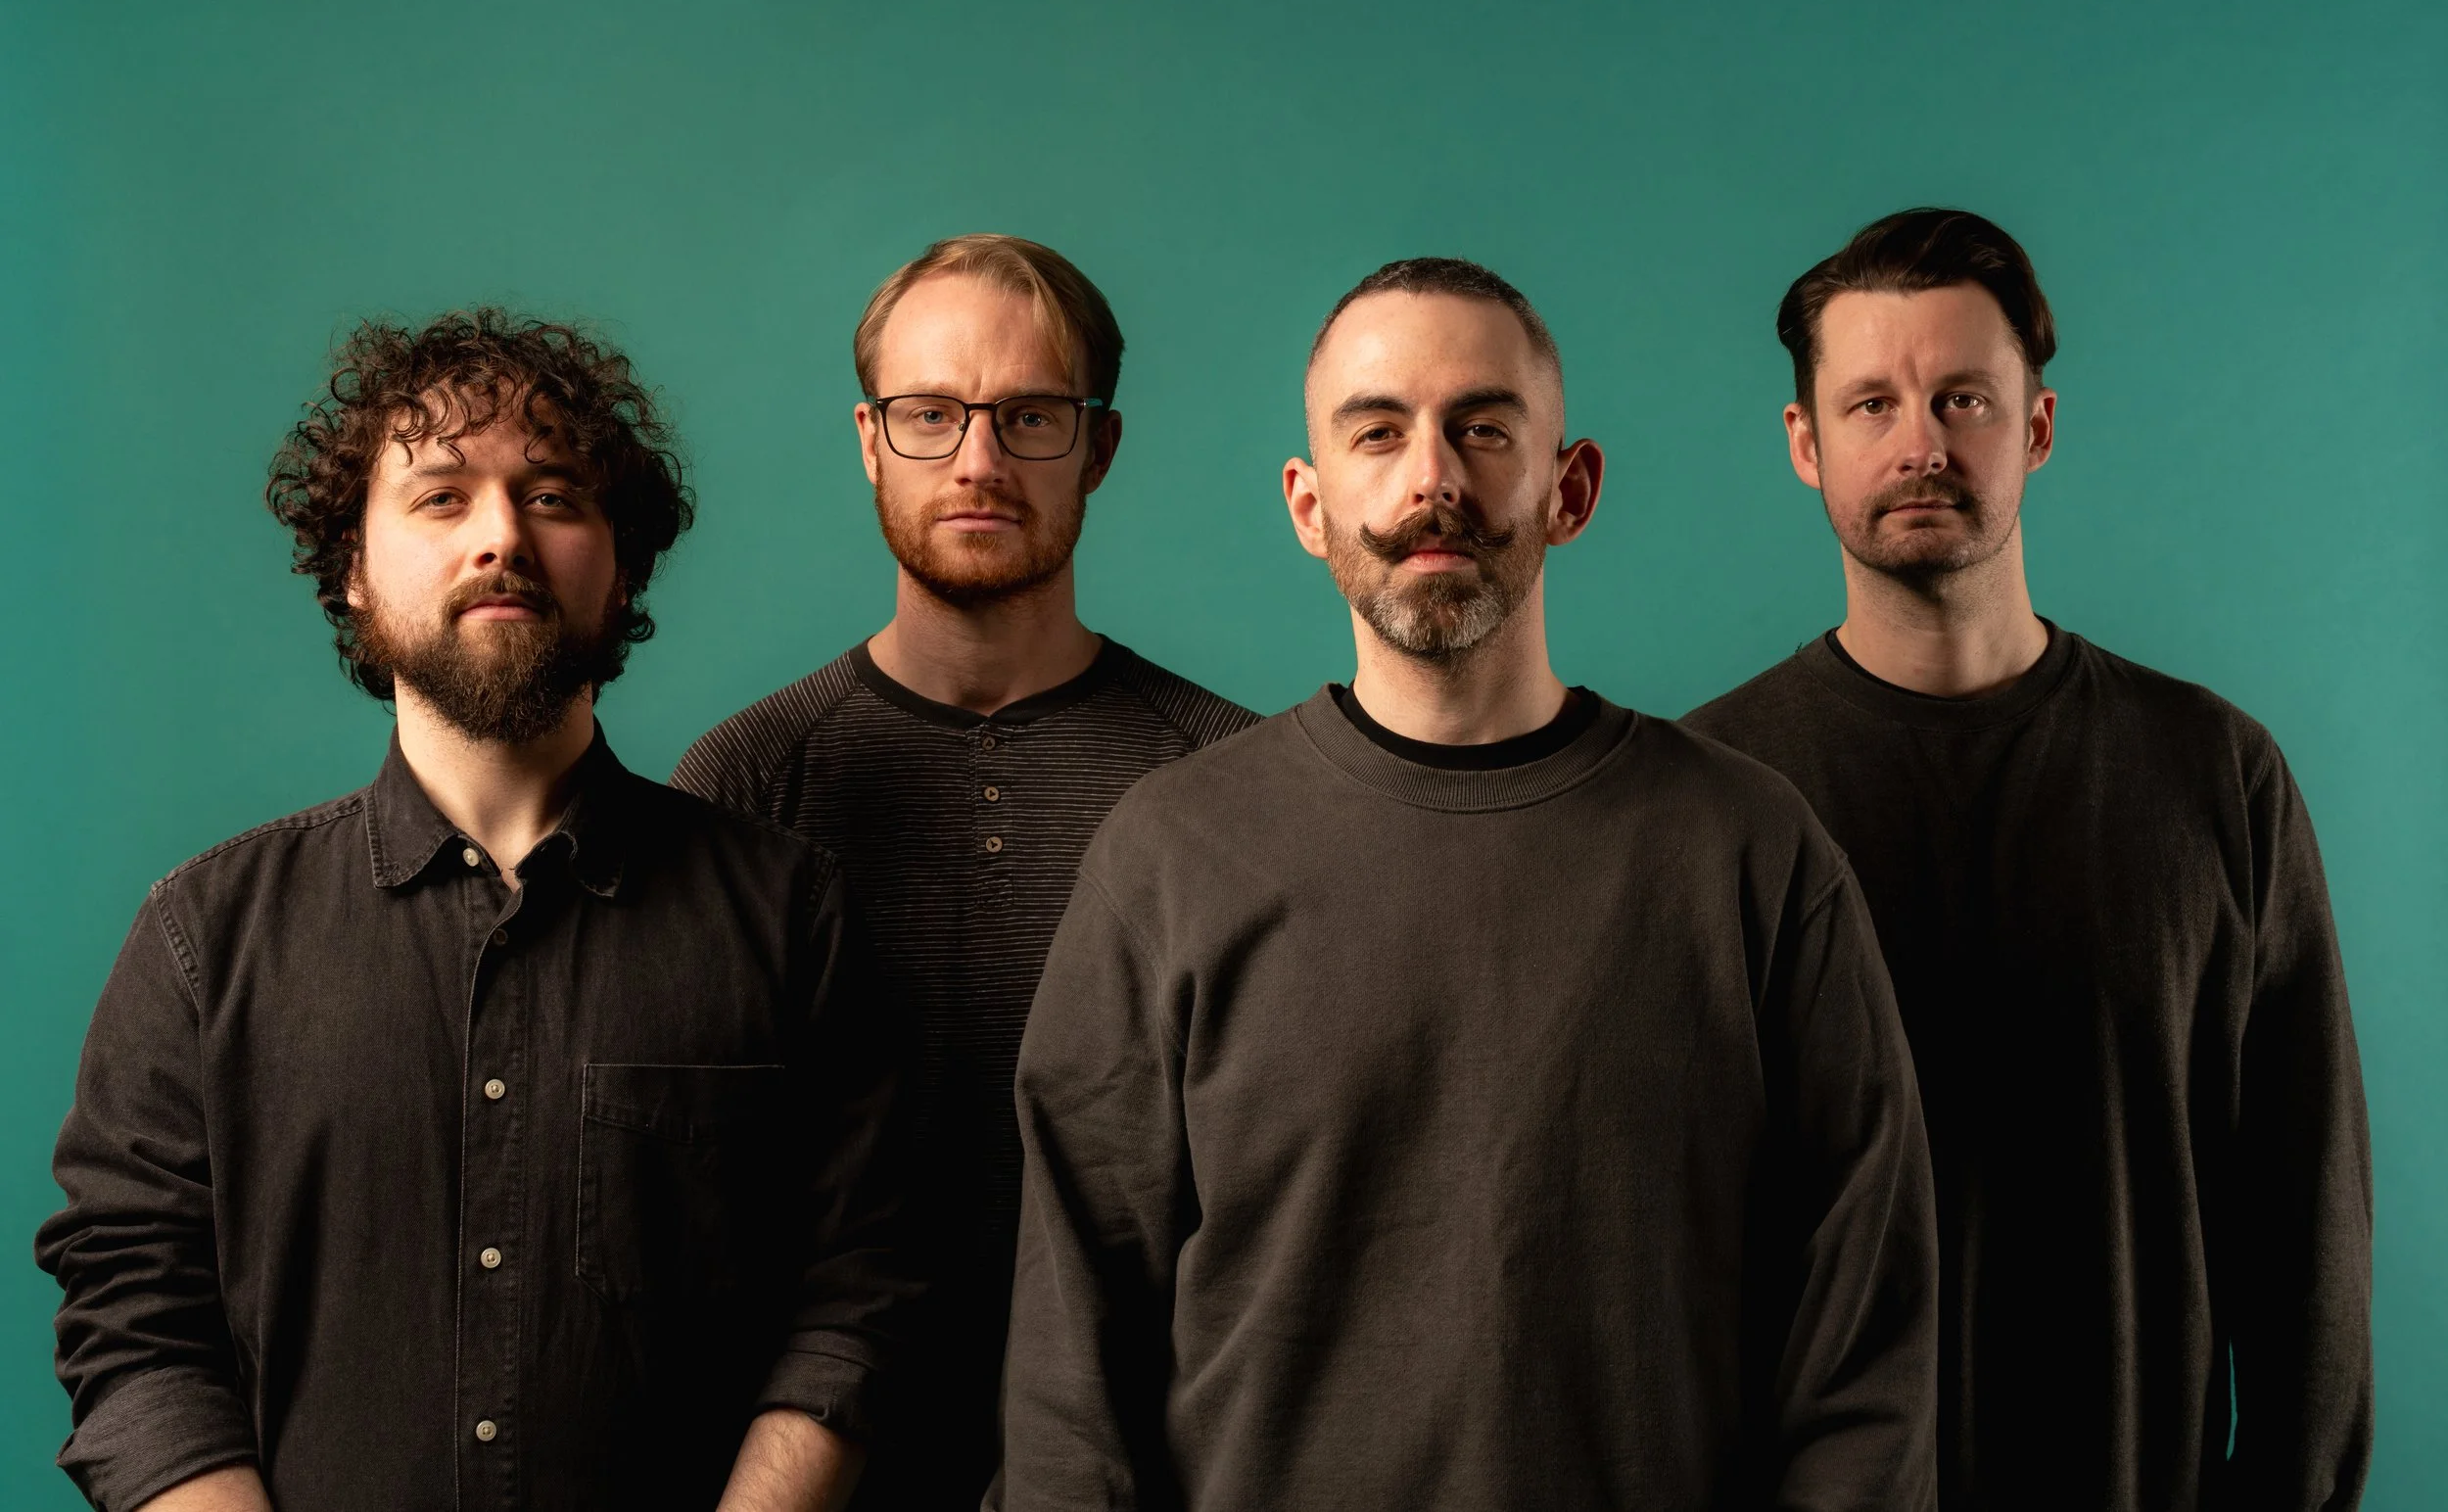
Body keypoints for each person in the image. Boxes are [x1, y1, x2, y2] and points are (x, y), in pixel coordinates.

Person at [994, 258, 1939, 1511]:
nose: (1431, 478)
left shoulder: (1747, 850)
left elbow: (1864, 1350)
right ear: (1307, 503)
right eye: (1376, 433)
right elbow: (1072, 1367)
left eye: (1483, 428)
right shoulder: (1171, 858)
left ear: (1571, 486)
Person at [36, 310, 916, 1512]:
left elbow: (856, 1295)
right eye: (442, 497)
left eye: (553, 495)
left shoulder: (785, 917)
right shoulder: (204, 940)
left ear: (624, 561)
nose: (502, 537)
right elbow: (133, 1328)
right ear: (353, 566)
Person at [1684, 209, 2373, 1510]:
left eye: (1963, 400)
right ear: (1805, 445)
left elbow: (2306, 1234)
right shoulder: (1711, 802)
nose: (1921, 445)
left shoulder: (2215, 778)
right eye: (1872, 404)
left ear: (2037, 429)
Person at [671, 235, 1253, 1511]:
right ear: (872, 440)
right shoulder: (745, 784)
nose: (978, 461)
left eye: (1030, 416)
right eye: (933, 415)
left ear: (1099, 449)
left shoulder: (1233, 784)